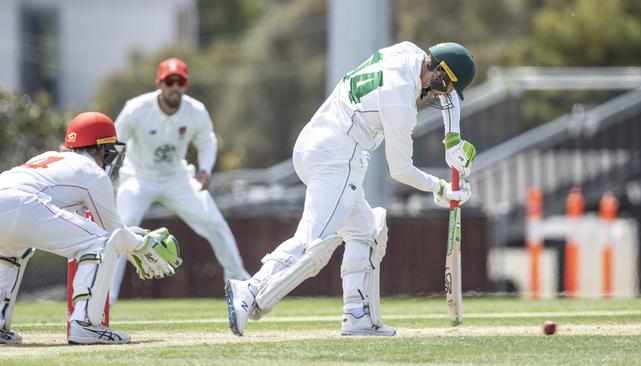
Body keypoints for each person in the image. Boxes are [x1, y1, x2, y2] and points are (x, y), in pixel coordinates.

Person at [225, 41, 477, 337]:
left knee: (366, 231)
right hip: (338, 156)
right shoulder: (401, 101)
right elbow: (400, 170)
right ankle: (251, 289)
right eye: (446, 86)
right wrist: (441, 188)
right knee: (314, 244)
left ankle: (358, 317)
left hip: (314, 143)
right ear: (440, 72)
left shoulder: (407, 51)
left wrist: (453, 140)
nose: (444, 95)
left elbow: (450, 100)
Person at [0, 112, 182, 345]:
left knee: (13, 252)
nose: (110, 158)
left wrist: (133, 240)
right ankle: (85, 325)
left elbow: (86, 225)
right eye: (109, 150)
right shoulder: (93, 174)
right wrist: (144, 246)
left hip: (7, 195)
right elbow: (113, 233)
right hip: (21, 203)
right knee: (100, 243)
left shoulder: (52, 157)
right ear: (100, 147)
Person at [109, 57, 250, 305]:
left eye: (180, 81)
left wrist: (205, 171)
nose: (175, 86)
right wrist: (106, 179)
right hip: (138, 177)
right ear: (159, 82)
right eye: (169, 81)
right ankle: (105, 300)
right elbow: (115, 143)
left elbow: (207, 142)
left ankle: (241, 289)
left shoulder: (195, 111)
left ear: (185, 84)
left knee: (215, 223)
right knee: (120, 230)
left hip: (178, 177)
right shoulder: (136, 108)